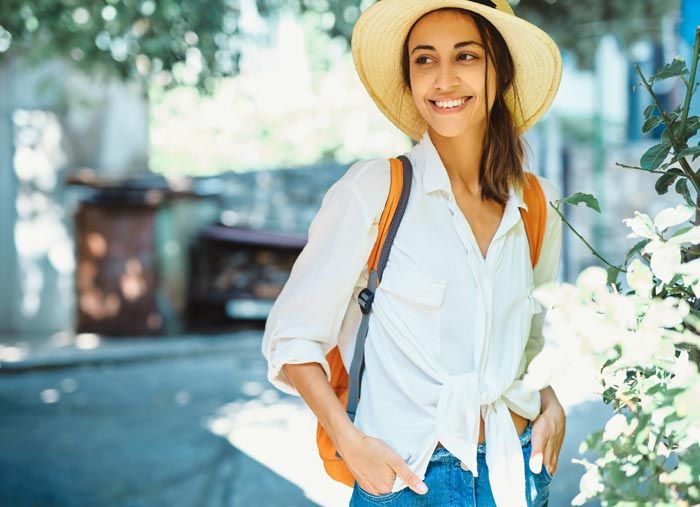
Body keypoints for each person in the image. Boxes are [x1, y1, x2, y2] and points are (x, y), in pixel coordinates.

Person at [261, 0, 566, 505]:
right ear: (410, 78)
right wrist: (350, 441)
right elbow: (291, 339)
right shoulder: (376, 189)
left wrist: (551, 400)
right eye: (425, 60)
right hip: (409, 478)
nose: (443, 79)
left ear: (500, 72)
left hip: (520, 470)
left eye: (465, 56)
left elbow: (531, 336)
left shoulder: (537, 203)